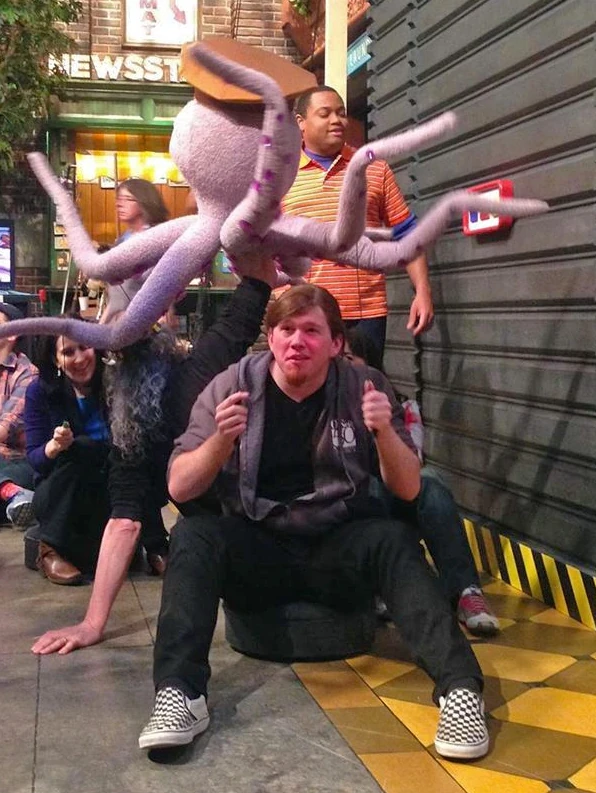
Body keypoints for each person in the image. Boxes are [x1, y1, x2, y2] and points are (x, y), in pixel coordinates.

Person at [139, 284, 489, 762]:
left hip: (335, 548)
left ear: (336, 343)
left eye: (311, 331)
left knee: (391, 538)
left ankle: (461, 689)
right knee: (193, 535)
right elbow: (179, 487)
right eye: (286, 329)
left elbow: (409, 489)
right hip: (259, 550)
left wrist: (383, 433)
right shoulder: (232, 385)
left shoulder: (364, 387)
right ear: (270, 337)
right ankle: (180, 693)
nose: (296, 342)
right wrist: (221, 440)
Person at [30, 264, 276, 653]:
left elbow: (243, 314)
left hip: (262, 511)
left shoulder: (144, 410)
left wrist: (93, 623)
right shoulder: (135, 422)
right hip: (241, 526)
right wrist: (92, 622)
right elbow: (123, 521)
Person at [344, 327, 499, 636]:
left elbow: (412, 466)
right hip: (355, 508)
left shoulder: (402, 406)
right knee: (368, 485)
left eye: (350, 359)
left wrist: (381, 428)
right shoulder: (331, 404)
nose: (344, 368)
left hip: (400, 494)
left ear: (369, 364)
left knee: (432, 482)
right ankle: (379, 587)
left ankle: (466, 592)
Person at [280, 85, 434, 354]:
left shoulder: (374, 168)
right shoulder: (281, 175)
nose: (336, 120)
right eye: (325, 114)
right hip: (301, 313)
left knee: (363, 380)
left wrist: (422, 290)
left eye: (341, 113)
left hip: (366, 315)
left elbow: (407, 232)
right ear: (300, 122)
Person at [25, 321, 169, 584]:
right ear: (56, 361)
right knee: (81, 449)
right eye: (68, 352)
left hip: (114, 487)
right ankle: (48, 549)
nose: (80, 358)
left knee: (132, 453)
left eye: (85, 347)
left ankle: (157, 545)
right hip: (63, 491)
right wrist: (54, 447)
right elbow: (35, 461)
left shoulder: (116, 381)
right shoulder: (40, 392)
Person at [101, 178, 169, 323]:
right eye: (119, 199)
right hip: (118, 323)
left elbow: (164, 285)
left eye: (127, 199)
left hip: (143, 324)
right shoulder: (122, 240)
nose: (119, 204)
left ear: (144, 202)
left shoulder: (155, 239)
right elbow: (117, 297)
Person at [0, 303, 37, 528]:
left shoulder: (27, 374)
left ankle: (12, 492)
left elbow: (4, 430)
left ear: (12, 333)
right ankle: (11, 493)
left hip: (15, 461)